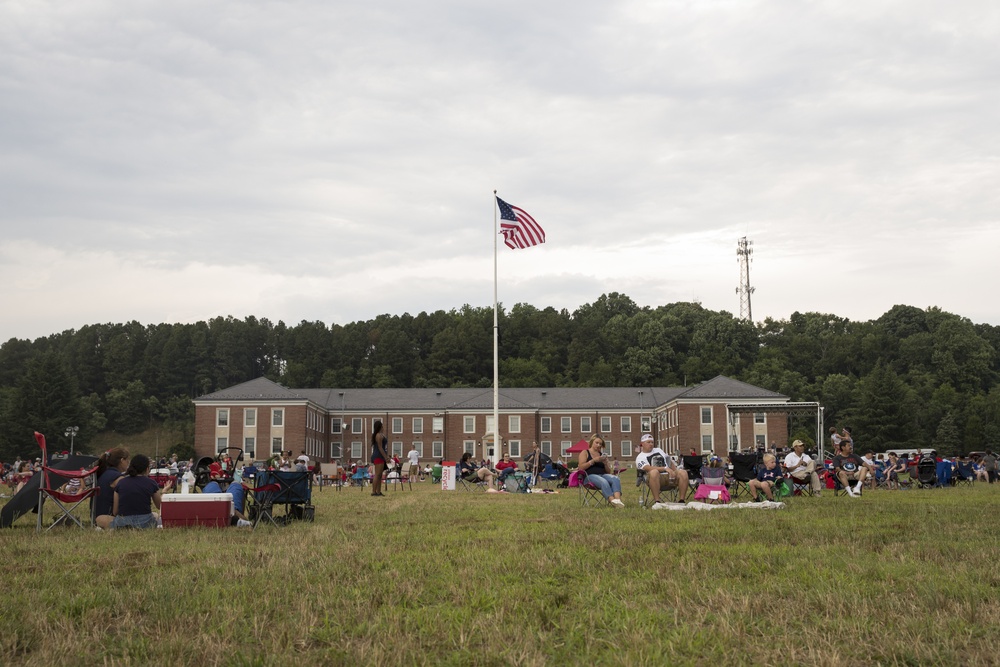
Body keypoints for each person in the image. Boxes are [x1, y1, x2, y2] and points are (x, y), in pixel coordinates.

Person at [96, 454, 171, 530]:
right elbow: (160, 506)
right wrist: (164, 491)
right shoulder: (151, 483)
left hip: (123, 523)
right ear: (147, 468)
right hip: (145, 523)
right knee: (155, 515)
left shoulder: (121, 483)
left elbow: (115, 512)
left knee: (99, 518)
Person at [635, 433, 689, 508]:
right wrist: (664, 468)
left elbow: (668, 460)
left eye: (652, 442)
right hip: (655, 479)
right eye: (648, 442)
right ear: (642, 444)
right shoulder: (640, 457)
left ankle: (681, 501)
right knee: (654, 472)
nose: (651, 444)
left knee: (683, 472)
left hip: (670, 476)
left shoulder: (658, 450)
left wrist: (674, 471)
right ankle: (657, 502)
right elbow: (647, 468)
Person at [579, 434, 625, 507]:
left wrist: (606, 463)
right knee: (603, 481)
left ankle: (618, 501)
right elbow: (581, 467)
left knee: (615, 478)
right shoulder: (585, 452)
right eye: (596, 443)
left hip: (602, 475)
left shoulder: (601, 455)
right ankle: (612, 501)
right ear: (591, 442)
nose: (598, 445)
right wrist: (593, 461)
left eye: (600, 444)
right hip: (589, 477)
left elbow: (608, 472)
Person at [371, 420, 389, 497]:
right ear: (380, 426)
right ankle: (373, 492)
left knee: (380, 475)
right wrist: (386, 457)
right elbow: (380, 447)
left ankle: (378, 491)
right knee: (377, 474)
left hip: (381, 456)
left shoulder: (381, 435)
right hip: (378, 455)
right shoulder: (378, 435)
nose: (383, 427)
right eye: (382, 425)